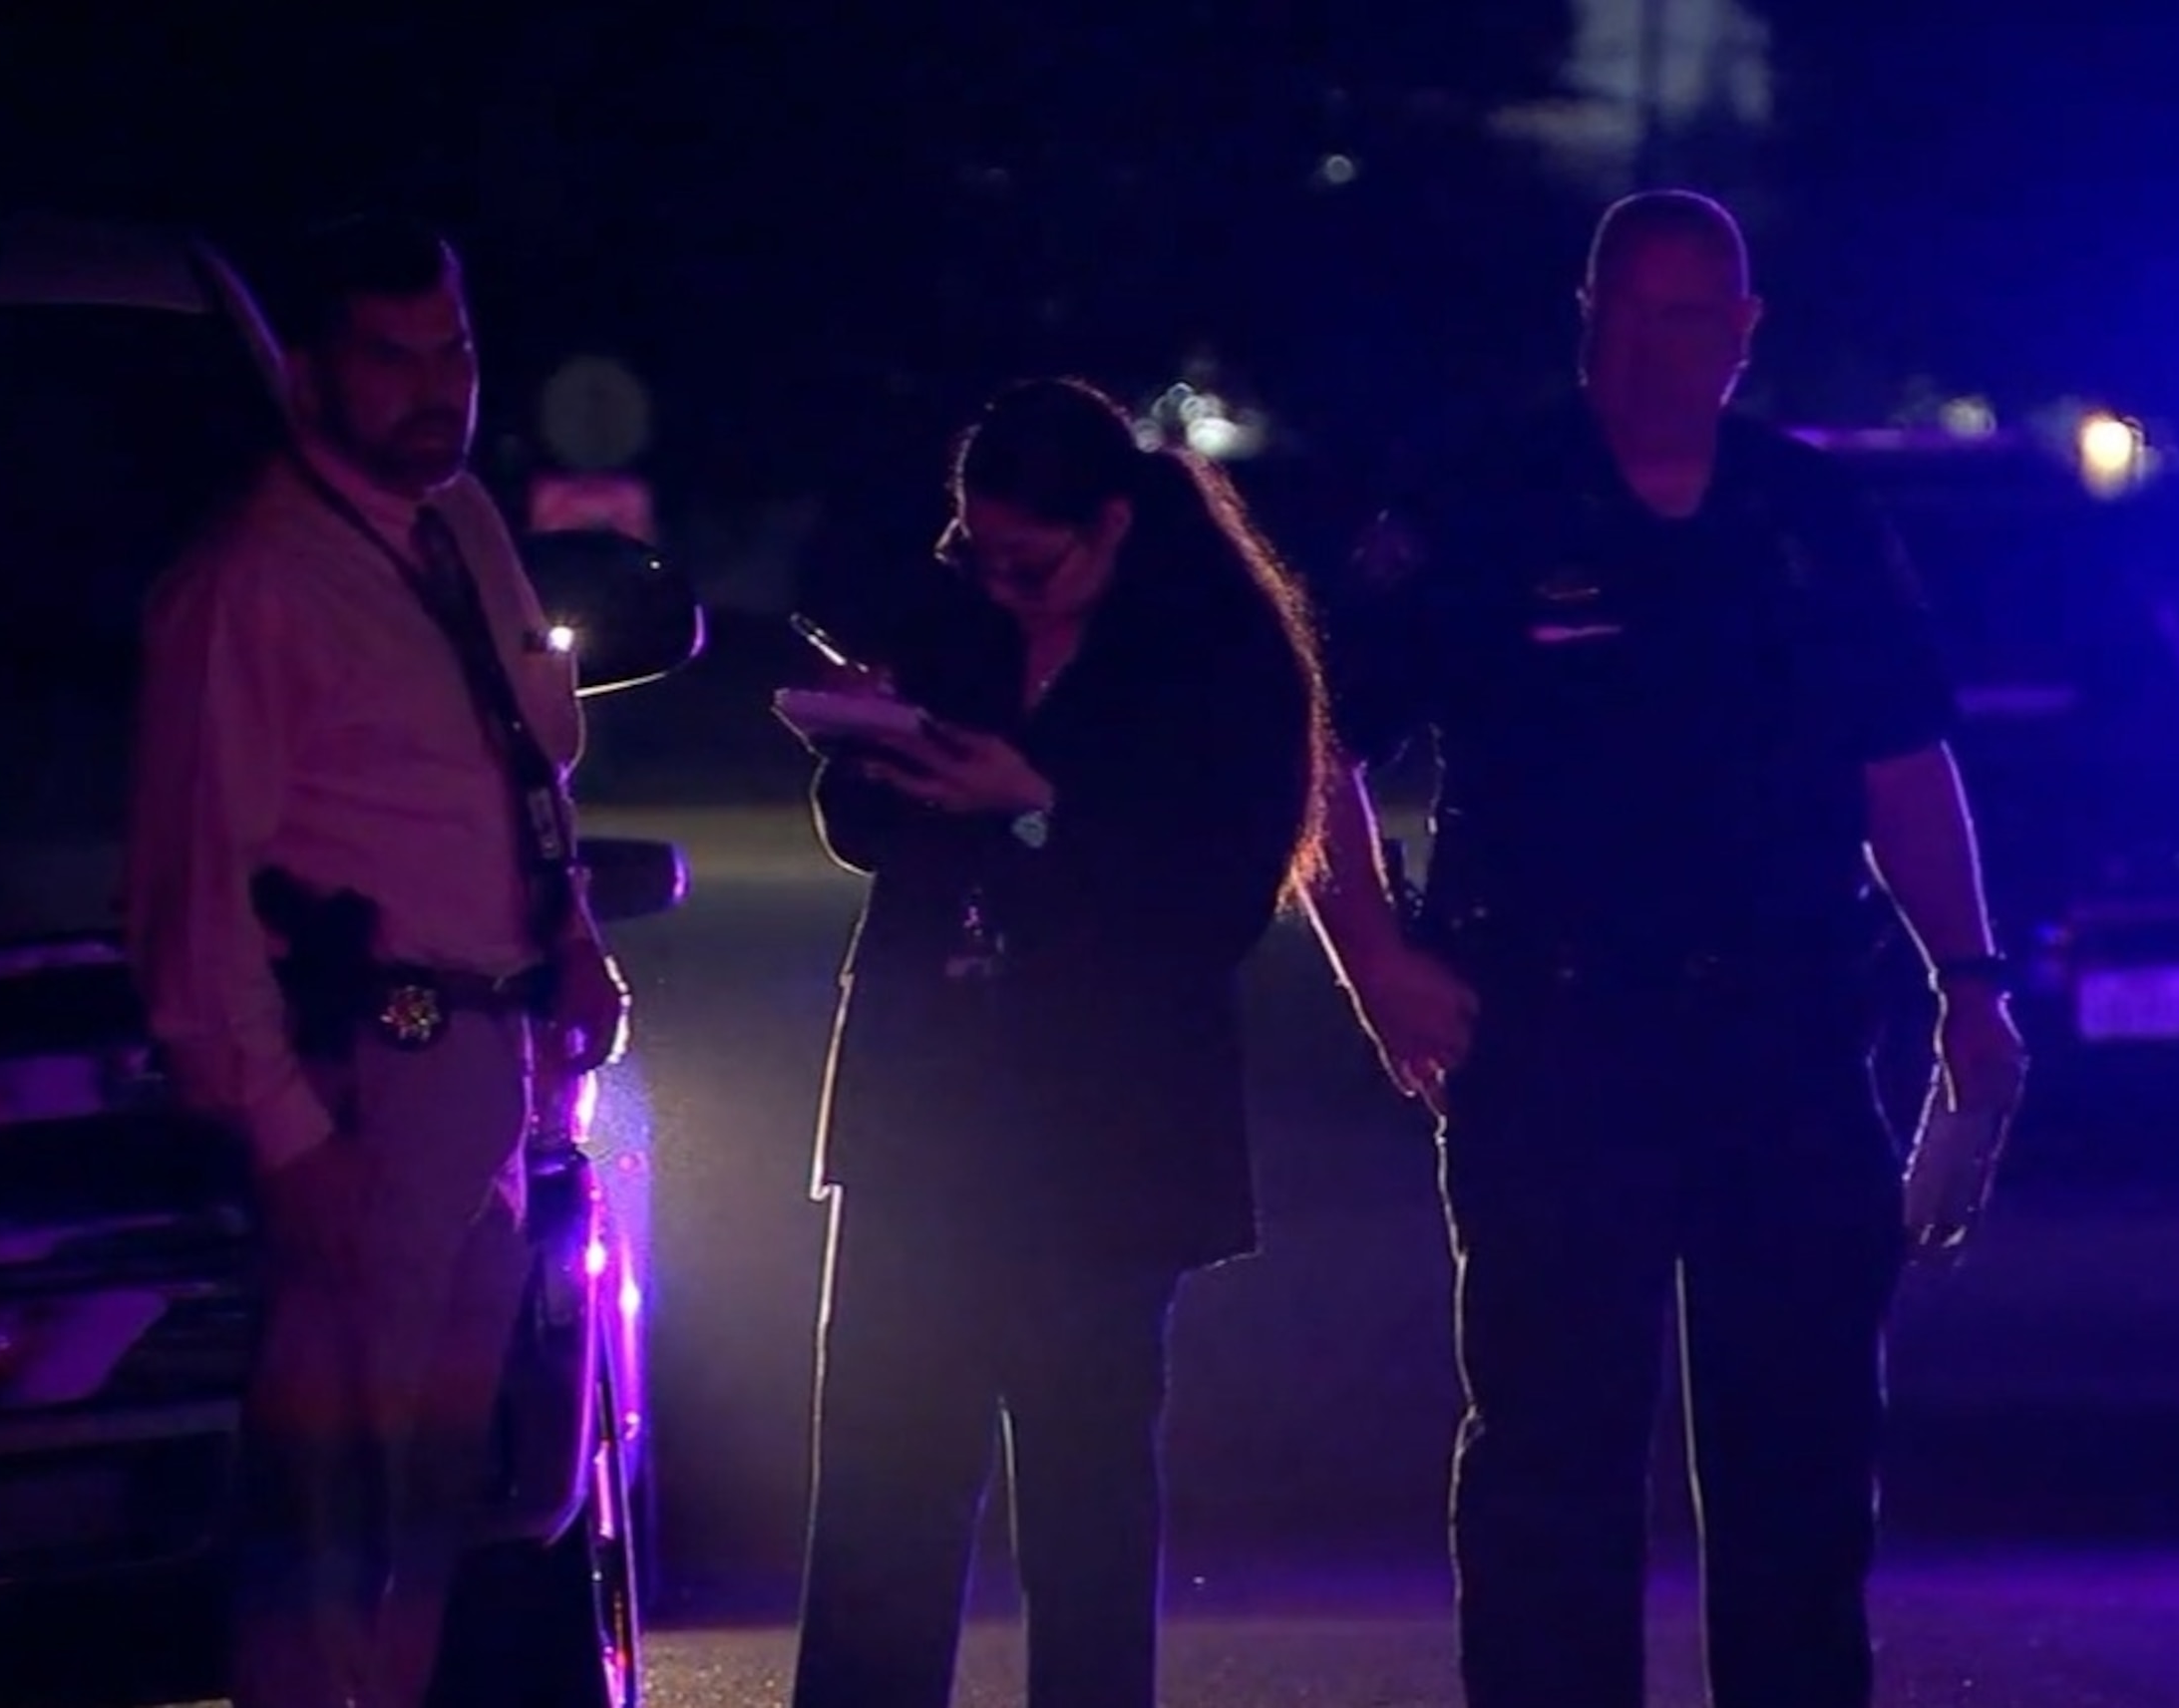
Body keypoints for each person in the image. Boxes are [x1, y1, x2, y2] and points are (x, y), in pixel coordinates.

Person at [1300, 189, 2027, 1708]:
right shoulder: (1481, 500)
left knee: (1804, 1469)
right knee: (1553, 1471)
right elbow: (1317, 736)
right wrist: (1373, 954)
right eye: (1625, 314)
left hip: (1786, 1045)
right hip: (1558, 1043)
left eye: (1690, 317)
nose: (1655, 349)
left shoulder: (1810, 519)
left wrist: (1970, 980)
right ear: (1584, 318)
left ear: (1744, 333)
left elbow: (1902, 761)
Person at [126, 213, 628, 1708]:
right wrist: (288, 1137)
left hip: (486, 1065)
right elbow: (187, 893)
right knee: (329, 1512)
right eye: (394, 360)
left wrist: (575, 935)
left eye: (454, 353)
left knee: (424, 1498)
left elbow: (523, 758)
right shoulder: (252, 586)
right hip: (362, 1073)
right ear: (311, 376)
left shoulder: (456, 525)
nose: (435, 389)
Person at [786, 376, 1328, 1708]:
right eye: (980, 552)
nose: (1005, 585)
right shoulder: (959, 614)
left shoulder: (1217, 657)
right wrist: (868, 739)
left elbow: (1209, 902)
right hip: (926, 1114)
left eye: (1035, 562)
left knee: (1084, 1504)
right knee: (879, 1485)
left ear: (1115, 524)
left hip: (1103, 1140)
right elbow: (865, 828)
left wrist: (1035, 808)